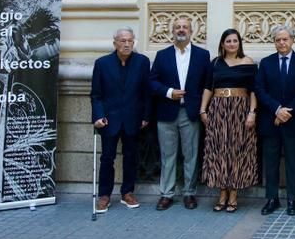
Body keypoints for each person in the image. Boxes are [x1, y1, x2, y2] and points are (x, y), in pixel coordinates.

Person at [148, 17, 211, 211]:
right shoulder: (162, 55)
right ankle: (166, 194)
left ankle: (189, 192)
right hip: (167, 112)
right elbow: (152, 82)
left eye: (185, 27)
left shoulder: (202, 55)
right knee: (168, 155)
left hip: (190, 112)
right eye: (177, 27)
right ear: (172, 31)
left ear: (191, 31)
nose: (181, 30)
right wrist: (169, 92)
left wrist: (203, 109)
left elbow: (207, 83)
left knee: (190, 154)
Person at [254, 25, 295, 216]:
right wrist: (277, 110)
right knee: (271, 161)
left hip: (294, 120)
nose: (281, 43)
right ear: (274, 42)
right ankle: (272, 198)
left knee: (293, 161)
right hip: (270, 120)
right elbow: (259, 89)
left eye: (285, 39)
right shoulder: (266, 63)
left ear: (292, 40)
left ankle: (292, 199)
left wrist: (288, 111)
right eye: (278, 40)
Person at [90, 27, 150, 213]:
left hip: (133, 118)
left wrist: (146, 116)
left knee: (131, 157)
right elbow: (96, 95)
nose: (127, 44)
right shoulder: (102, 63)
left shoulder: (142, 62)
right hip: (109, 119)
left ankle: (127, 193)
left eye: (130, 41)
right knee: (107, 158)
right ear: (115, 43)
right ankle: (104, 195)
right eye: (123, 41)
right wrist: (98, 116)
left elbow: (146, 92)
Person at [200, 28, 258, 212]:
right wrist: (203, 110)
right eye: (228, 41)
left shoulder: (248, 62)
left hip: (240, 110)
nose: (232, 44)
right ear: (222, 44)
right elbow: (208, 87)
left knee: (237, 150)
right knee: (219, 150)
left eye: (235, 41)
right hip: (218, 109)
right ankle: (222, 193)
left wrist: (252, 112)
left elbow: (254, 90)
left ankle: (233, 194)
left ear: (239, 43)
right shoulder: (215, 63)